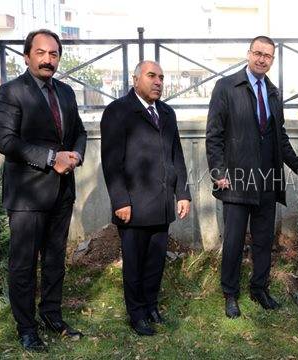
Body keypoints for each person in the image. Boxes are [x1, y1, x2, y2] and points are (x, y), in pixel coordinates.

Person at [0, 29, 86, 352]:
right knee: (23, 264)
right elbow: (6, 141)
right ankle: (27, 327)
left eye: (54, 54)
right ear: (27, 56)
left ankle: (51, 315)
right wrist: (51, 158)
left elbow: (79, 132)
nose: (49, 60)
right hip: (28, 195)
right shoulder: (10, 92)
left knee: (54, 259)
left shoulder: (66, 92)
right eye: (42, 53)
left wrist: (76, 154)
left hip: (62, 191)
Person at [206, 36, 298, 318]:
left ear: (272, 60)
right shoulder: (226, 87)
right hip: (236, 181)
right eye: (258, 53)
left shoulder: (273, 92)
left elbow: (280, 136)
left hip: (268, 181)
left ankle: (260, 288)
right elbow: (214, 134)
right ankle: (230, 293)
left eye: (268, 56)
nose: (262, 59)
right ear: (248, 54)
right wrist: (218, 172)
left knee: (264, 240)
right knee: (235, 240)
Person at [101, 60, 191, 336]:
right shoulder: (118, 111)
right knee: (135, 263)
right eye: (152, 76)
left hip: (162, 203)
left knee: (155, 261)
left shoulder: (166, 113)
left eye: (161, 77)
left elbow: (176, 154)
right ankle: (137, 313)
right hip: (133, 205)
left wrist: (183, 193)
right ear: (135, 79)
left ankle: (151, 306)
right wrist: (120, 201)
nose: (158, 82)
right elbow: (111, 162)